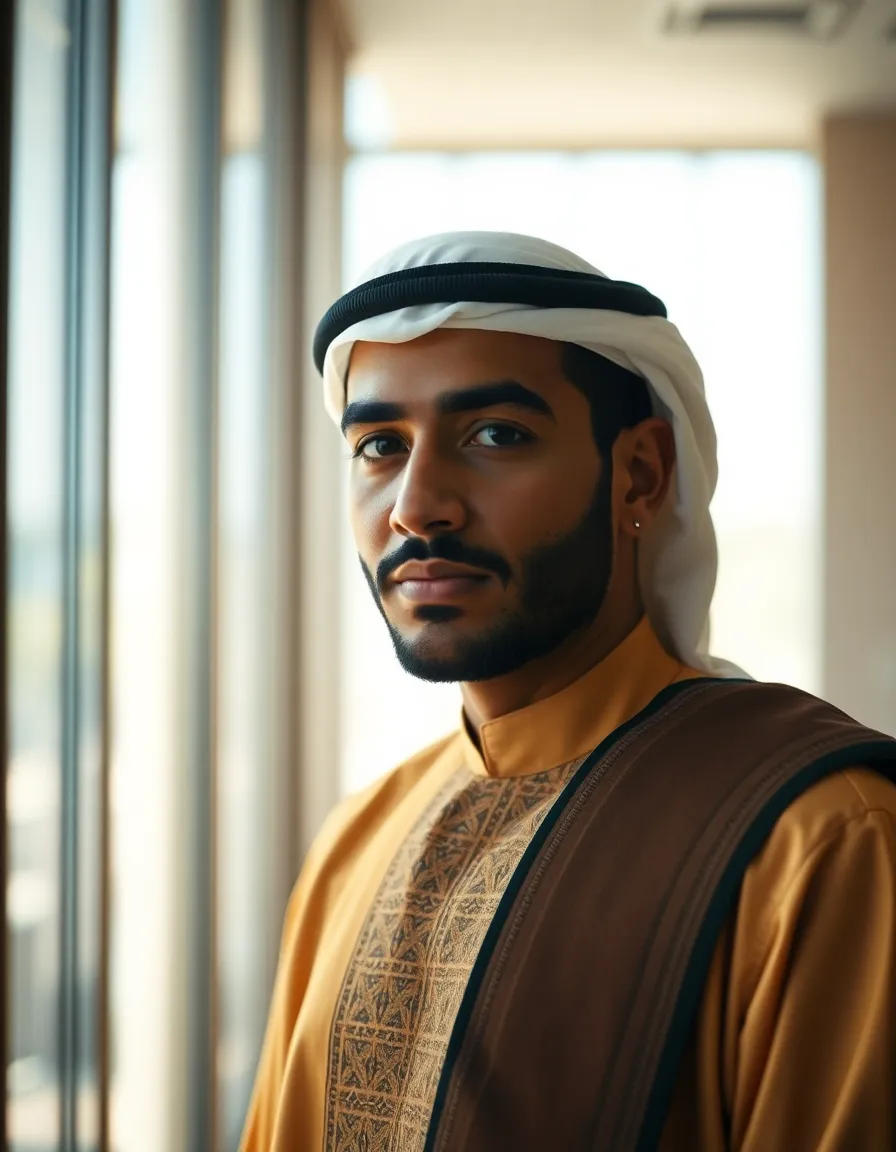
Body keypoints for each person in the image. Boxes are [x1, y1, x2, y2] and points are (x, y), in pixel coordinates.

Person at [240, 232, 896, 1152]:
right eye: (380, 445)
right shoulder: (356, 840)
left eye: (495, 435)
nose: (417, 504)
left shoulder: (820, 840)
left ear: (640, 473)